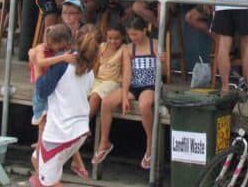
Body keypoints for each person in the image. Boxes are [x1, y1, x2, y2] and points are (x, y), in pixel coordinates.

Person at [33, 25, 98, 187]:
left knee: (49, 183)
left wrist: (36, 65)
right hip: (80, 130)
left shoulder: (62, 62)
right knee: (36, 159)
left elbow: (42, 91)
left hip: (58, 134)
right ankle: (76, 163)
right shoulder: (89, 68)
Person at [93, 16, 160, 171]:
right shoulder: (129, 48)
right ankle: (104, 142)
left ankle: (150, 144)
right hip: (133, 85)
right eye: (130, 35)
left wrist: (162, 61)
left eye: (135, 34)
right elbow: (127, 74)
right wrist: (124, 97)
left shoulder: (155, 45)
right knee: (107, 102)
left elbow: (162, 72)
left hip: (150, 85)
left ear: (145, 31)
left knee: (144, 105)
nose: (132, 38)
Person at [88, 19, 126, 119]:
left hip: (113, 82)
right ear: (106, 37)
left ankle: (84, 125)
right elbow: (96, 65)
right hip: (98, 80)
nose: (112, 41)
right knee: (82, 93)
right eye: (110, 38)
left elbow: (125, 70)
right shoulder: (102, 46)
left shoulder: (124, 49)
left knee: (95, 96)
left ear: (123, 37)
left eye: (116, 38)